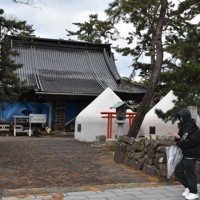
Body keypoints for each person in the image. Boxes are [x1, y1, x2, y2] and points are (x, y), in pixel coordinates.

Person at [174, 108, 200, 200]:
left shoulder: (194, 129)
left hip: (191, 154)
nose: (180, 119)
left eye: (181, 117)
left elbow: (191, 141)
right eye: (180, 117)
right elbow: (180, 138)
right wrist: (177, 138)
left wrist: (179, 142)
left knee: (190, 173)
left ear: (186, 117)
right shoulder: (183, 127)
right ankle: (188, 187)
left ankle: (194, 192)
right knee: (178, 171)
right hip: (184, 154)